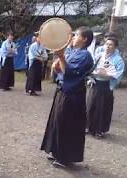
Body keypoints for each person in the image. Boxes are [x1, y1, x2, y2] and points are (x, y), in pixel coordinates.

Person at [41, 26, 94, 167]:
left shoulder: (85, 56)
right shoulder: (72, 51)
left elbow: (71, 73)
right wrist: (57, 63)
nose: (74, 37)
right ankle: (56, 151)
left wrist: (62, 57)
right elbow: (61, 70)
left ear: (84, 39)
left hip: (73, 95)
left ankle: (65, 158)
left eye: (76, 35)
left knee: (67, 125)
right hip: (62, 90)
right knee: (57, 121)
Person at [86, 37, 125, 138]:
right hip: (95, 83)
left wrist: (107, 74)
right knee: (90, 105)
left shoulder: (118, 60)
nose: (108, 46)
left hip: (106, 85)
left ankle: (99, 130)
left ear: (115, 47)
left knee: (102, 108)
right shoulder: (99, 55)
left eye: (110, 44)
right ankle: (88, 127)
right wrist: (92, 75)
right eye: (106, 44)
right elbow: (91, 67)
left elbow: (117, 74)